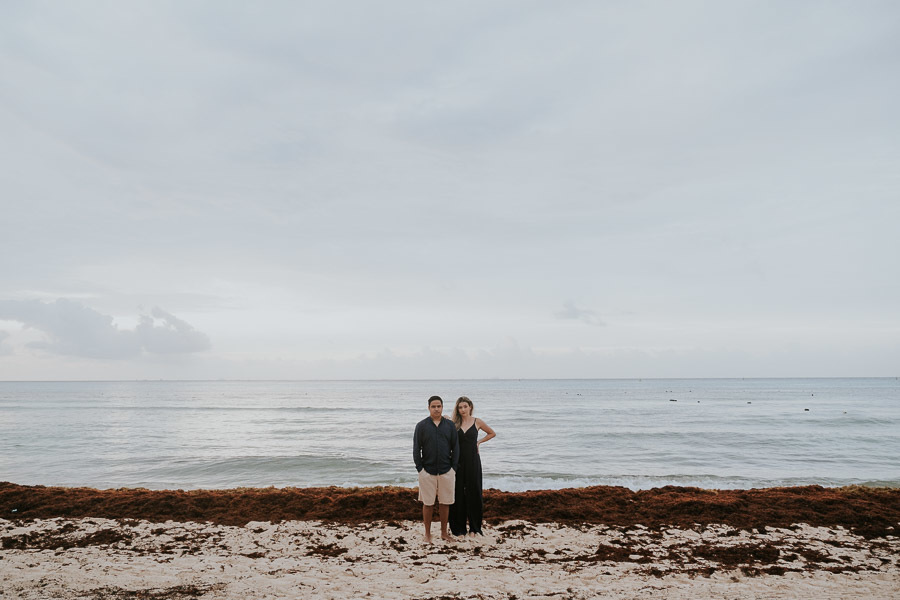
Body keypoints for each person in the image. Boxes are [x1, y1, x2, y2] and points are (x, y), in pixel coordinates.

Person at [413, 395, 459, 543]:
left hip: (447, 471)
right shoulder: (421, 426)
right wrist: (420, 469)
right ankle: (427, 534)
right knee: (428, 504)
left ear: (442, 407)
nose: (436, 409)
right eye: (433, 406)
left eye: (439, 406)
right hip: (427, 471)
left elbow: (455, 447)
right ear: (429, 408)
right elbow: (416, 449)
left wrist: (453, 468)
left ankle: (444, 533)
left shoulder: (450, 425)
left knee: (445, 503)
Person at [448, 396, 496, 537]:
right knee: (458, 494)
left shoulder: (477, 421)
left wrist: (479, 442)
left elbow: (492, 433)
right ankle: (459, 529)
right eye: (460, 407)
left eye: (465, 407)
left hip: (473, 460)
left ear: (470, 407)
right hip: (457, 462)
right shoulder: (454, 423)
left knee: (474, 493)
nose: (463, 410)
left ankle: (475, 528)